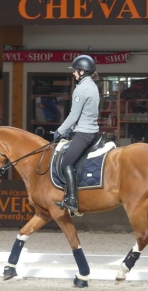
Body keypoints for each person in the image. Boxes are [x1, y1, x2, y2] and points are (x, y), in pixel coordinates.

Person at [53, 54, 100, 212]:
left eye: (75, 70)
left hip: (84, 134)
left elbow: (73, 116)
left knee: (66, 163)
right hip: (91, 131)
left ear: (82, 71)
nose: (73, 73)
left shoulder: (81, 89)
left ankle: (72, 200)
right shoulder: (93, 85)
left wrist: (60, 131)